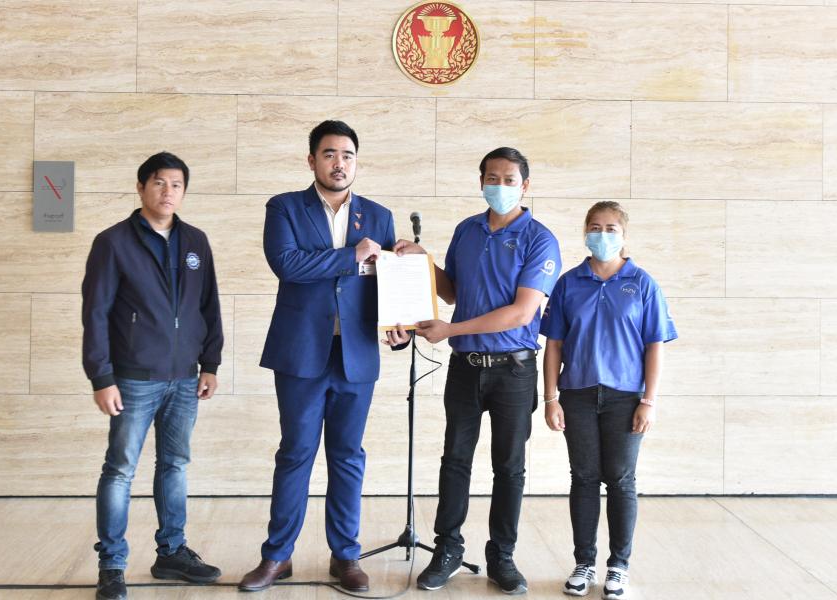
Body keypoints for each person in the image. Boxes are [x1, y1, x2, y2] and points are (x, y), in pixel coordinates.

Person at [239, 120, 405, 593]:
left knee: (348, 456)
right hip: (301, 352)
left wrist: (400, 327)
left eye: (348, 155)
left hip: (356, 354)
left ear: (357, 162)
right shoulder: (284, 207)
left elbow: (388, 283)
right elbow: (287, 264)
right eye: (330, 154)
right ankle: (277, 556)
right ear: (312, 160)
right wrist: (352, 256)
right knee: (295, 453)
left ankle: (346, 557)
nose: (339, 163)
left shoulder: (379, 216)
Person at [393, 147, 561, 595]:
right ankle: (447, 549)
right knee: (455, 460)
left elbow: (522, 313)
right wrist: (423, 261)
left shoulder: (540, 239)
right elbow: (453, 293)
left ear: (525, 186)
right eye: (492, 178)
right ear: (481, 181)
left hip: (513, 370)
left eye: (509, 180)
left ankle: (501, 556)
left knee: (509, 467)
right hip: (465, 367)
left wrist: (451, 330)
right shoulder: (467, 231)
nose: (500, 186)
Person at [82, 152, 224, 600]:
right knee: (120, 469)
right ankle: (112, 565)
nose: (168, 192)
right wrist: (101, 377)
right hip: (133, 379)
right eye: (159, 183)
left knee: (175, 465)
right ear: (141, 187)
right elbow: (96, 313)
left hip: (185, 378)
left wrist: (210, 363)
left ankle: (172, 553)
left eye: (177, 184)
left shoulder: (196, 241)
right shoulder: (113, 242)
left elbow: (209, 306)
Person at [540, 201, 677, 599]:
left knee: (620, 478)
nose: (602, 234)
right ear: (585, 231)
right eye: (595, 227)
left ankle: (618, 566)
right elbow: (554, 345)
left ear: (624, 235)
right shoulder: (569, 283)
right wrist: (550, 397)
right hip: (577, 394)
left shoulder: (643, 283)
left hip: (626, 398)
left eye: (611, 228)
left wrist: (649, 401)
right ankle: (584, 563)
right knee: (583, 477)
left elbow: (655, 345)